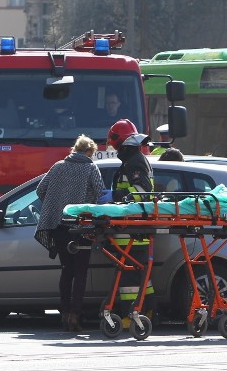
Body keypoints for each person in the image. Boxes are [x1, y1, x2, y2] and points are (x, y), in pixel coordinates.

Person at [35, 135, 104, 332]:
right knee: (80, 273)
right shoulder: (90, 168)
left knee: (66, 271)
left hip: (59, 227)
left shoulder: (57, 166)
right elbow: (100, 193)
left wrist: (55, 203)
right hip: (81, 227)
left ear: (74, 149)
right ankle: (75, 316)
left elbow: (41, 190)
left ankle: (64, 315)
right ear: (90, 152)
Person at [108, 119, 157, 317]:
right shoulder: (134, 160)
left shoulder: (135, 161)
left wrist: (114, 197)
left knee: (129, 278)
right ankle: (150, 310)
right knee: (140, 274)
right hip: (135, 228)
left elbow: (142, 192)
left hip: (132, 231)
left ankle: (131, 315)